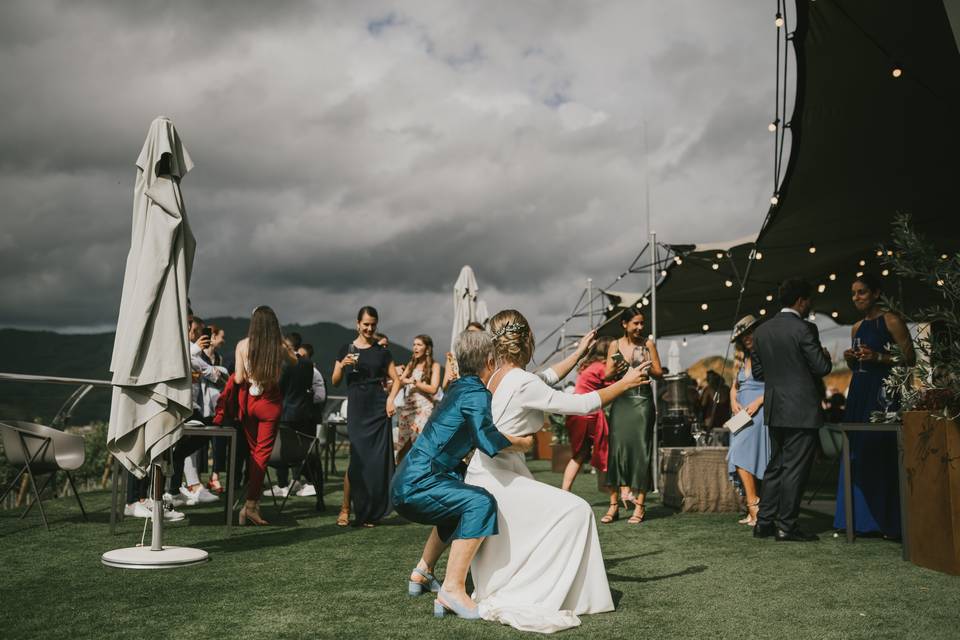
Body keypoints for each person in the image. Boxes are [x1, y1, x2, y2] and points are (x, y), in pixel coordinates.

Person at [464, 310, 649, 633]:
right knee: (576, 510)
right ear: (527, 340)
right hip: (499, 481)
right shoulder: (521, 381)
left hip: (489, 473)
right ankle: (546, 591)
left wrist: (578, 352)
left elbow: (546, 377)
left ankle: (540, 581)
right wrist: (625, 382)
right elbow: (581, 405)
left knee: (559, 514)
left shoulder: (498, 376)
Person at [392, 330, 534, 620]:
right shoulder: (476, 393)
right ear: (490, 361)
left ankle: (422, 572)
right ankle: (453, 589)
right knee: (480, 503)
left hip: (405, 480)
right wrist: (522, 442)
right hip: (419, 484)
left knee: (456, 505)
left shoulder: (457, 387)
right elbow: (488, 440)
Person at [751, 278, 833, 542]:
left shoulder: (761, 331)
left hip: (775, 406)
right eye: (809, 300)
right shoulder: (805, 329)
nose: (809, 305)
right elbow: (821, 368)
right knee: (795, 468)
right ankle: (786, 526)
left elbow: (758, 372)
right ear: (801, 301)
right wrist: (826, 356)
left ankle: (764, 523)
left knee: (776, 465)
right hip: (801, 408)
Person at [834, 274, 915, 538]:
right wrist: (850, 359)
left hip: (882, 394)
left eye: (861, 292)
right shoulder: (856, 327)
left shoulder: (891, 320)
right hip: (859, 390)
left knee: (879, 452)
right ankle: (858, 520)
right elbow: (858, 366)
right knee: (856, 452)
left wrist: (878, 356)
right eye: (853, 293)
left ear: (876, 293)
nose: (856, 298)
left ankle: (886, 521)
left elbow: (909, 357)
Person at [331, 306, 401, 527]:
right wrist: (342, 365)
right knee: (357, 460)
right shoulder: (346, 348)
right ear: (358, 324)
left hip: (378, 408)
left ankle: (370, 511)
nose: (369, 328)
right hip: (357, 409)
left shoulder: (382, 352)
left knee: (375, 462)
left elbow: (396, 380)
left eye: (373, 324)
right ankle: (345, 508)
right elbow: (334, 381)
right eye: (366, 324)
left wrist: (390, 399)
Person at [234, 305, 298, 525]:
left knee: (255, 454)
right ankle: (251, 505)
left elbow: (239, 380)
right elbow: (295, 361)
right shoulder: (278, 346)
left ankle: (254, 504)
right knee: (261, 455)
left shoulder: (242, 345)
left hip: (249, 403)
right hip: (270, 403)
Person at [604, 307, 663, 524]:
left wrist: (646, 367)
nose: (639, 327)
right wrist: (617, 367)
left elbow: (660, 373)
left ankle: (639, 506)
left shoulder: (647, 344)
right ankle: (613, 506)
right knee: (617, 450)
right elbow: (606, 375)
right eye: (635, 323)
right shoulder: (614, 345)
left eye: (641, 323)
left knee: (641, 450)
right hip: (621, 402)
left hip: (642, 402)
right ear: (625, 324)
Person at [559, 336, 615, 521]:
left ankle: (565, 492)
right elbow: (613, 388)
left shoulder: (586, 366)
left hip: (576, 414)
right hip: (587, 415)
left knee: (580, 455)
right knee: (600, 453)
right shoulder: (601, 368)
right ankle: (611, 491)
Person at [267, 333, 323, 501]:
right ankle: (314, 489)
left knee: (282, 450)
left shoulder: (284, 365)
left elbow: (280, 389)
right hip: (304, 414)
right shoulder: (308, 364)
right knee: (307, 453)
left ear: (287, 346)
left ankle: (283, 485)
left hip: (285, 414)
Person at [727, 315, 770, 526]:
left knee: (739, 454)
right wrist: (733, 401)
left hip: (758, 412)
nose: (747, 338)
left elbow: (777, 384)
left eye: (750, 333)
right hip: (740, 415)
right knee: (741, 456)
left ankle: (754, 504)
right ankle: (753, 506)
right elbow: (733, 387)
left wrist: (759, 402)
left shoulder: (767, 354)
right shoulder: (742, 359)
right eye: (743, 336)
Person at [393, 335, 441, 463]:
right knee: (404, 445)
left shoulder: (434, 366)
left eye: (419, 344)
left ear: (427, 349)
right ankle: (401, 476)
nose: (415, 347)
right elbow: (400, 381)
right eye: (414, 344)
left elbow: (434, 389)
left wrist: (415, 382)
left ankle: (420, 474)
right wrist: (403, 380)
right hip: (408, 408)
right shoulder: (411, 364)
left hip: (424, 409)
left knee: (420, 443)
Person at [442, 322, 485, 391]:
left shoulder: (486, 358)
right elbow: (444, 388)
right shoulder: (453, 359)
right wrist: (450, 382)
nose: (471, 336)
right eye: (468, 333)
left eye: (475, 334)